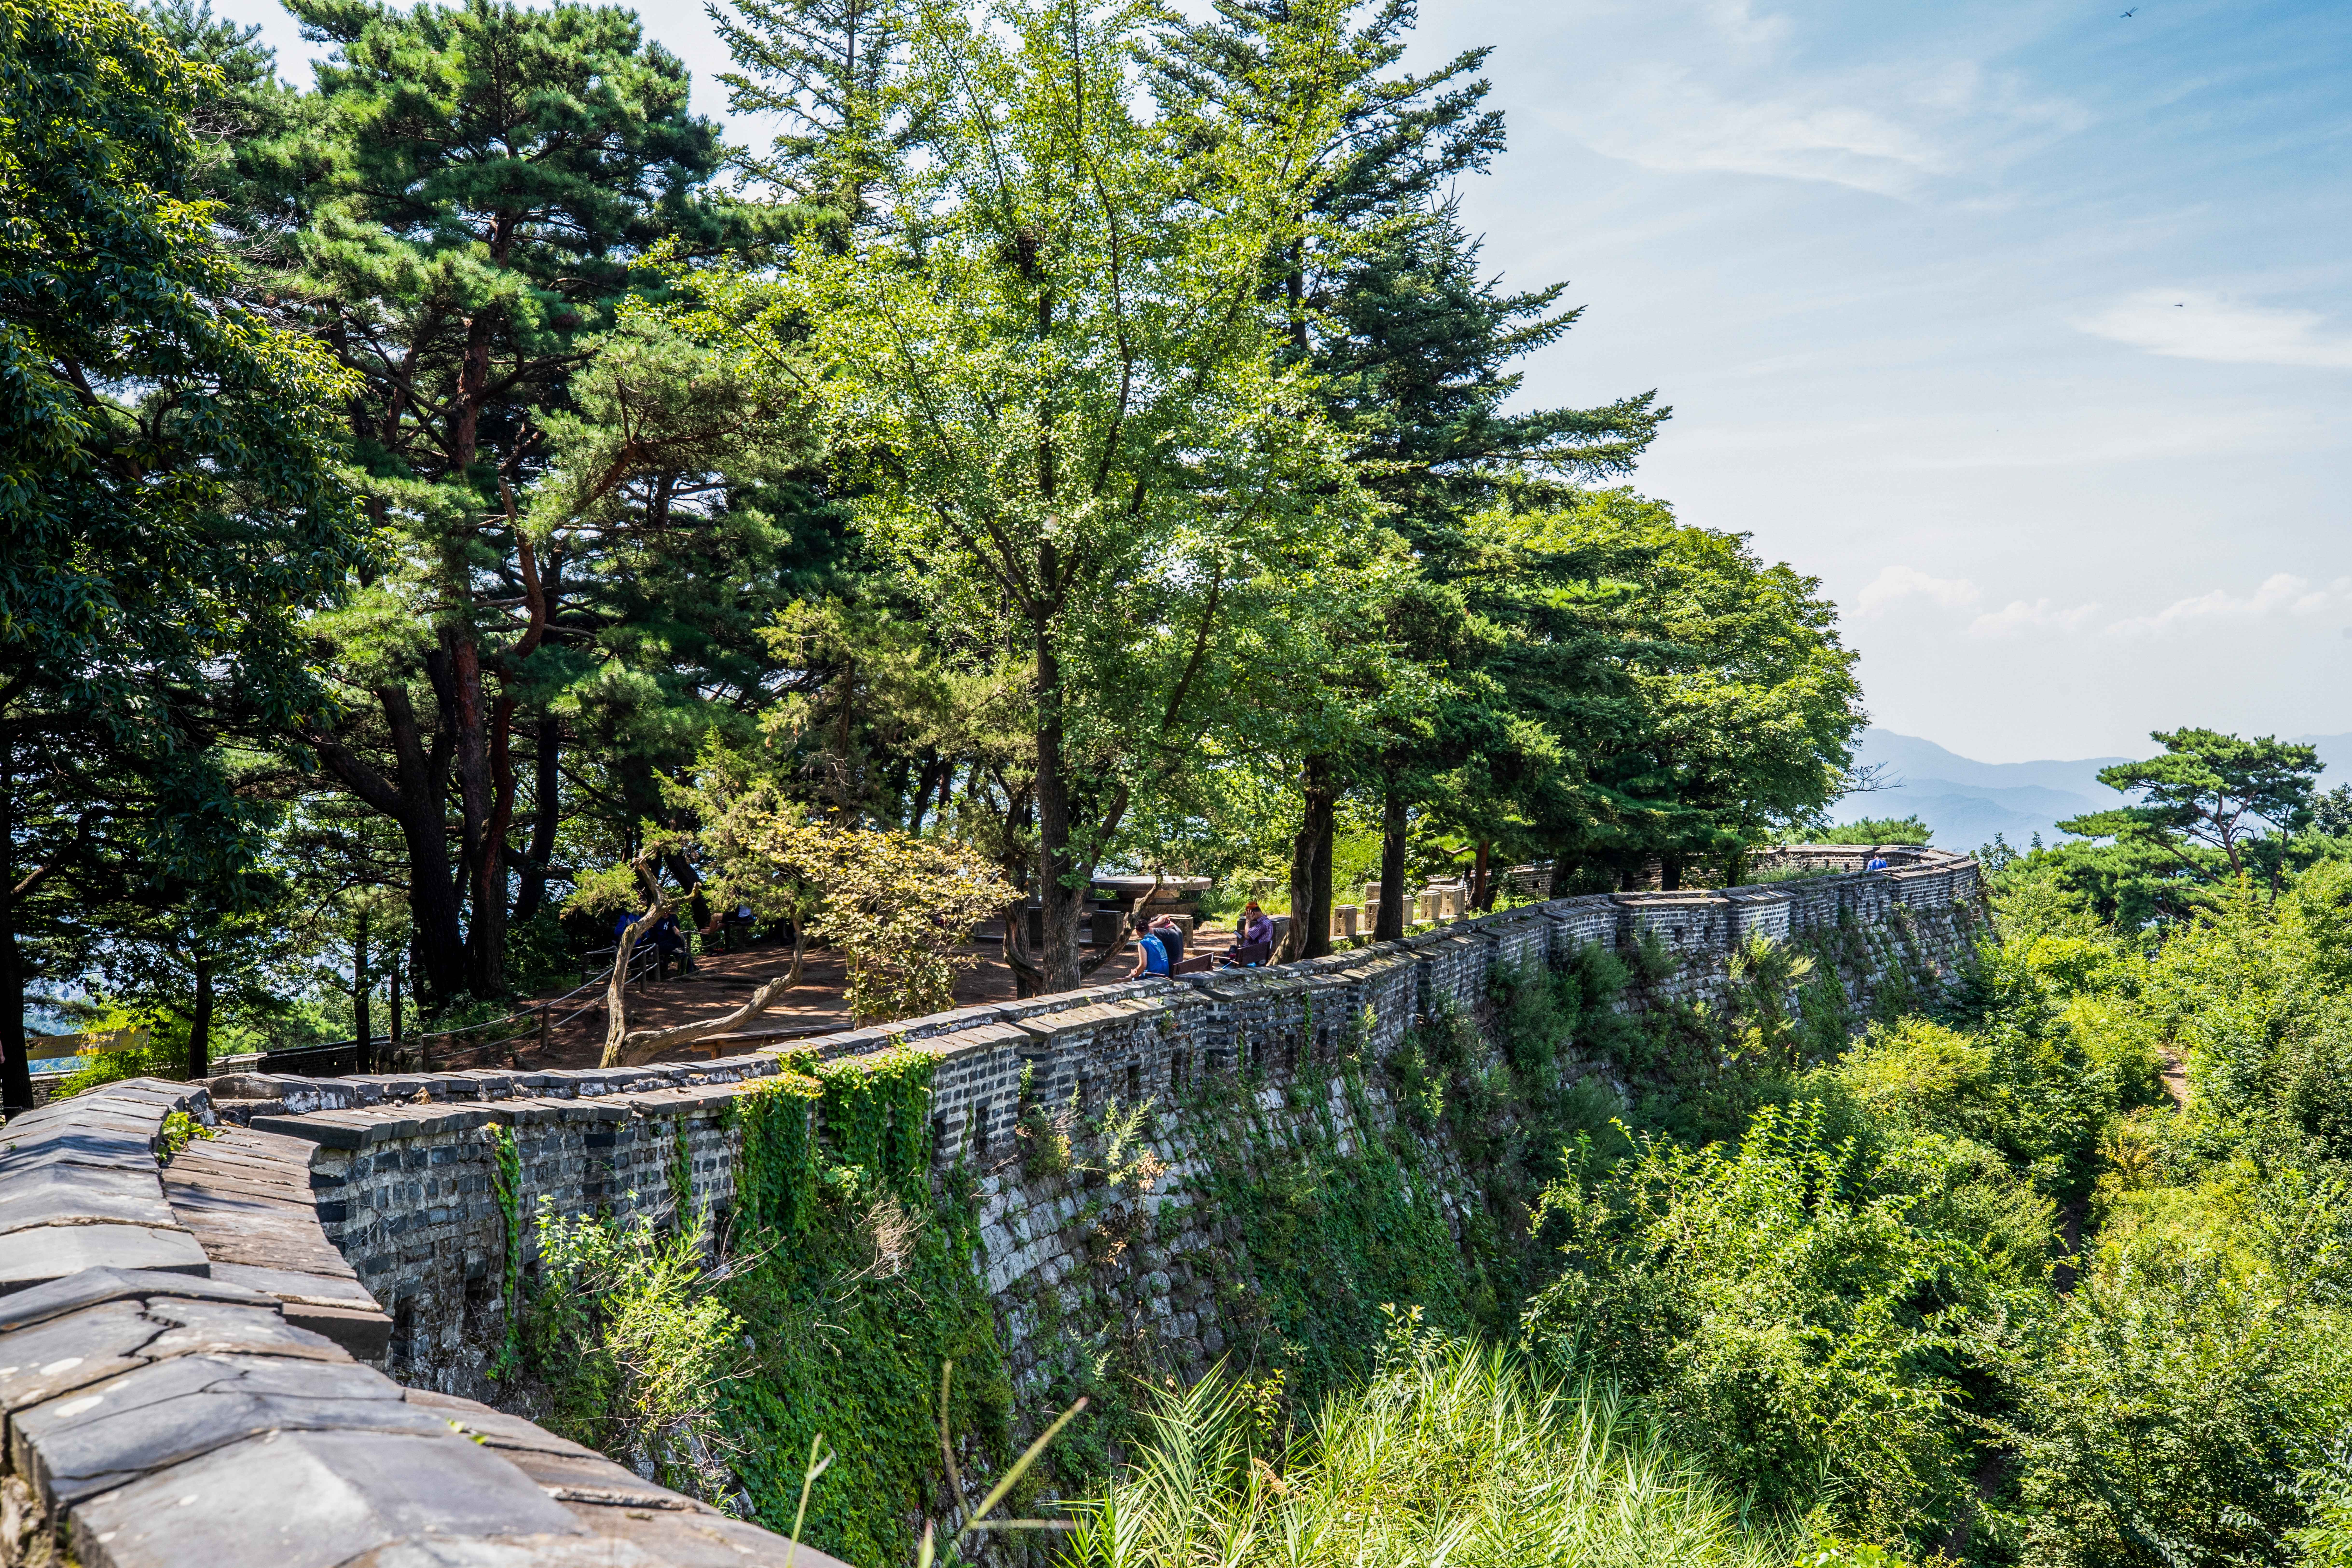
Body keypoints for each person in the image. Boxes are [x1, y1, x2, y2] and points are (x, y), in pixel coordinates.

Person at [1217, 901, 1276, 969]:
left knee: (1223, 958)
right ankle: (1232, 956)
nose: (1248, 917)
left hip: (1250, 955)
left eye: (1248, 915)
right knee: (1233, 948)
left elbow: (1248, 936)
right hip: (1256, 952)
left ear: (1253, 913)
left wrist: (1248, 921)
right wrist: (1245, 933)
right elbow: (1253, 935)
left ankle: (1234, 960)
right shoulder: (1267, 922)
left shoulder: (1263, 924)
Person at [1128, 912, 1171, 979]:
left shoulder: (1143, 943)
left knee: (1133, 981)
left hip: (1154, 976)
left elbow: (1144, 966)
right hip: (1165, 975)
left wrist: (1135, 975)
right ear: (1149, 929)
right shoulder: (1157, 940)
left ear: (1138, 932)